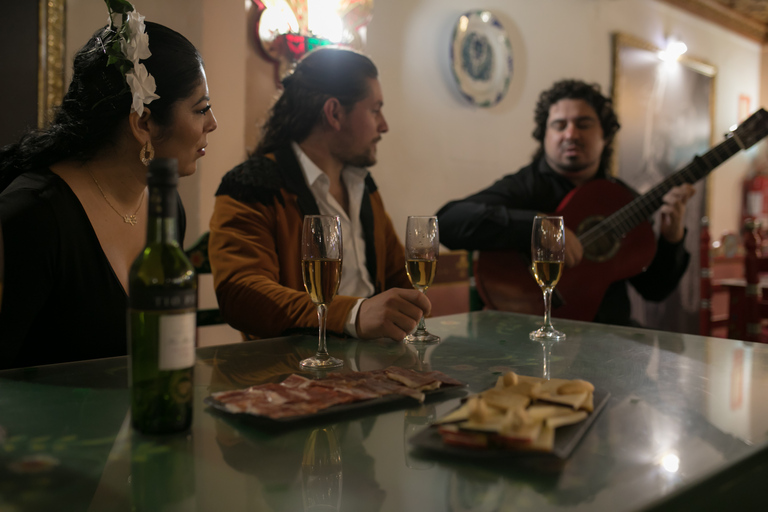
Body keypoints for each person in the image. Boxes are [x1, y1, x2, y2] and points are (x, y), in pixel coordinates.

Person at [0, 1, 218, 369]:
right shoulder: (32, 215)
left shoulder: (166, 210)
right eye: (200, 109)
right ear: (143, 123)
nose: (212, 123)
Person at [209, 47, 429, 342]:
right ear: (334, 113)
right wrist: (354, 314)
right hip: (292, 372)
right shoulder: (253, 185)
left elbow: (397, 277)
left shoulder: (363, 185)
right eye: (375, 110)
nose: (384, 125)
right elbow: (241, 294)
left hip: (373, 366)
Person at [436, 79, 695, 326]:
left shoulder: (623, 200)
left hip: (607, 338)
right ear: (544, 135)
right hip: (526, 335)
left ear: (605, 136)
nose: (571, 134)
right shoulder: (525, 185)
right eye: (559, 125)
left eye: (583, 124)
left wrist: (672, 239)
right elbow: (447, 222)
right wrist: (539, 227)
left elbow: (654, 290)